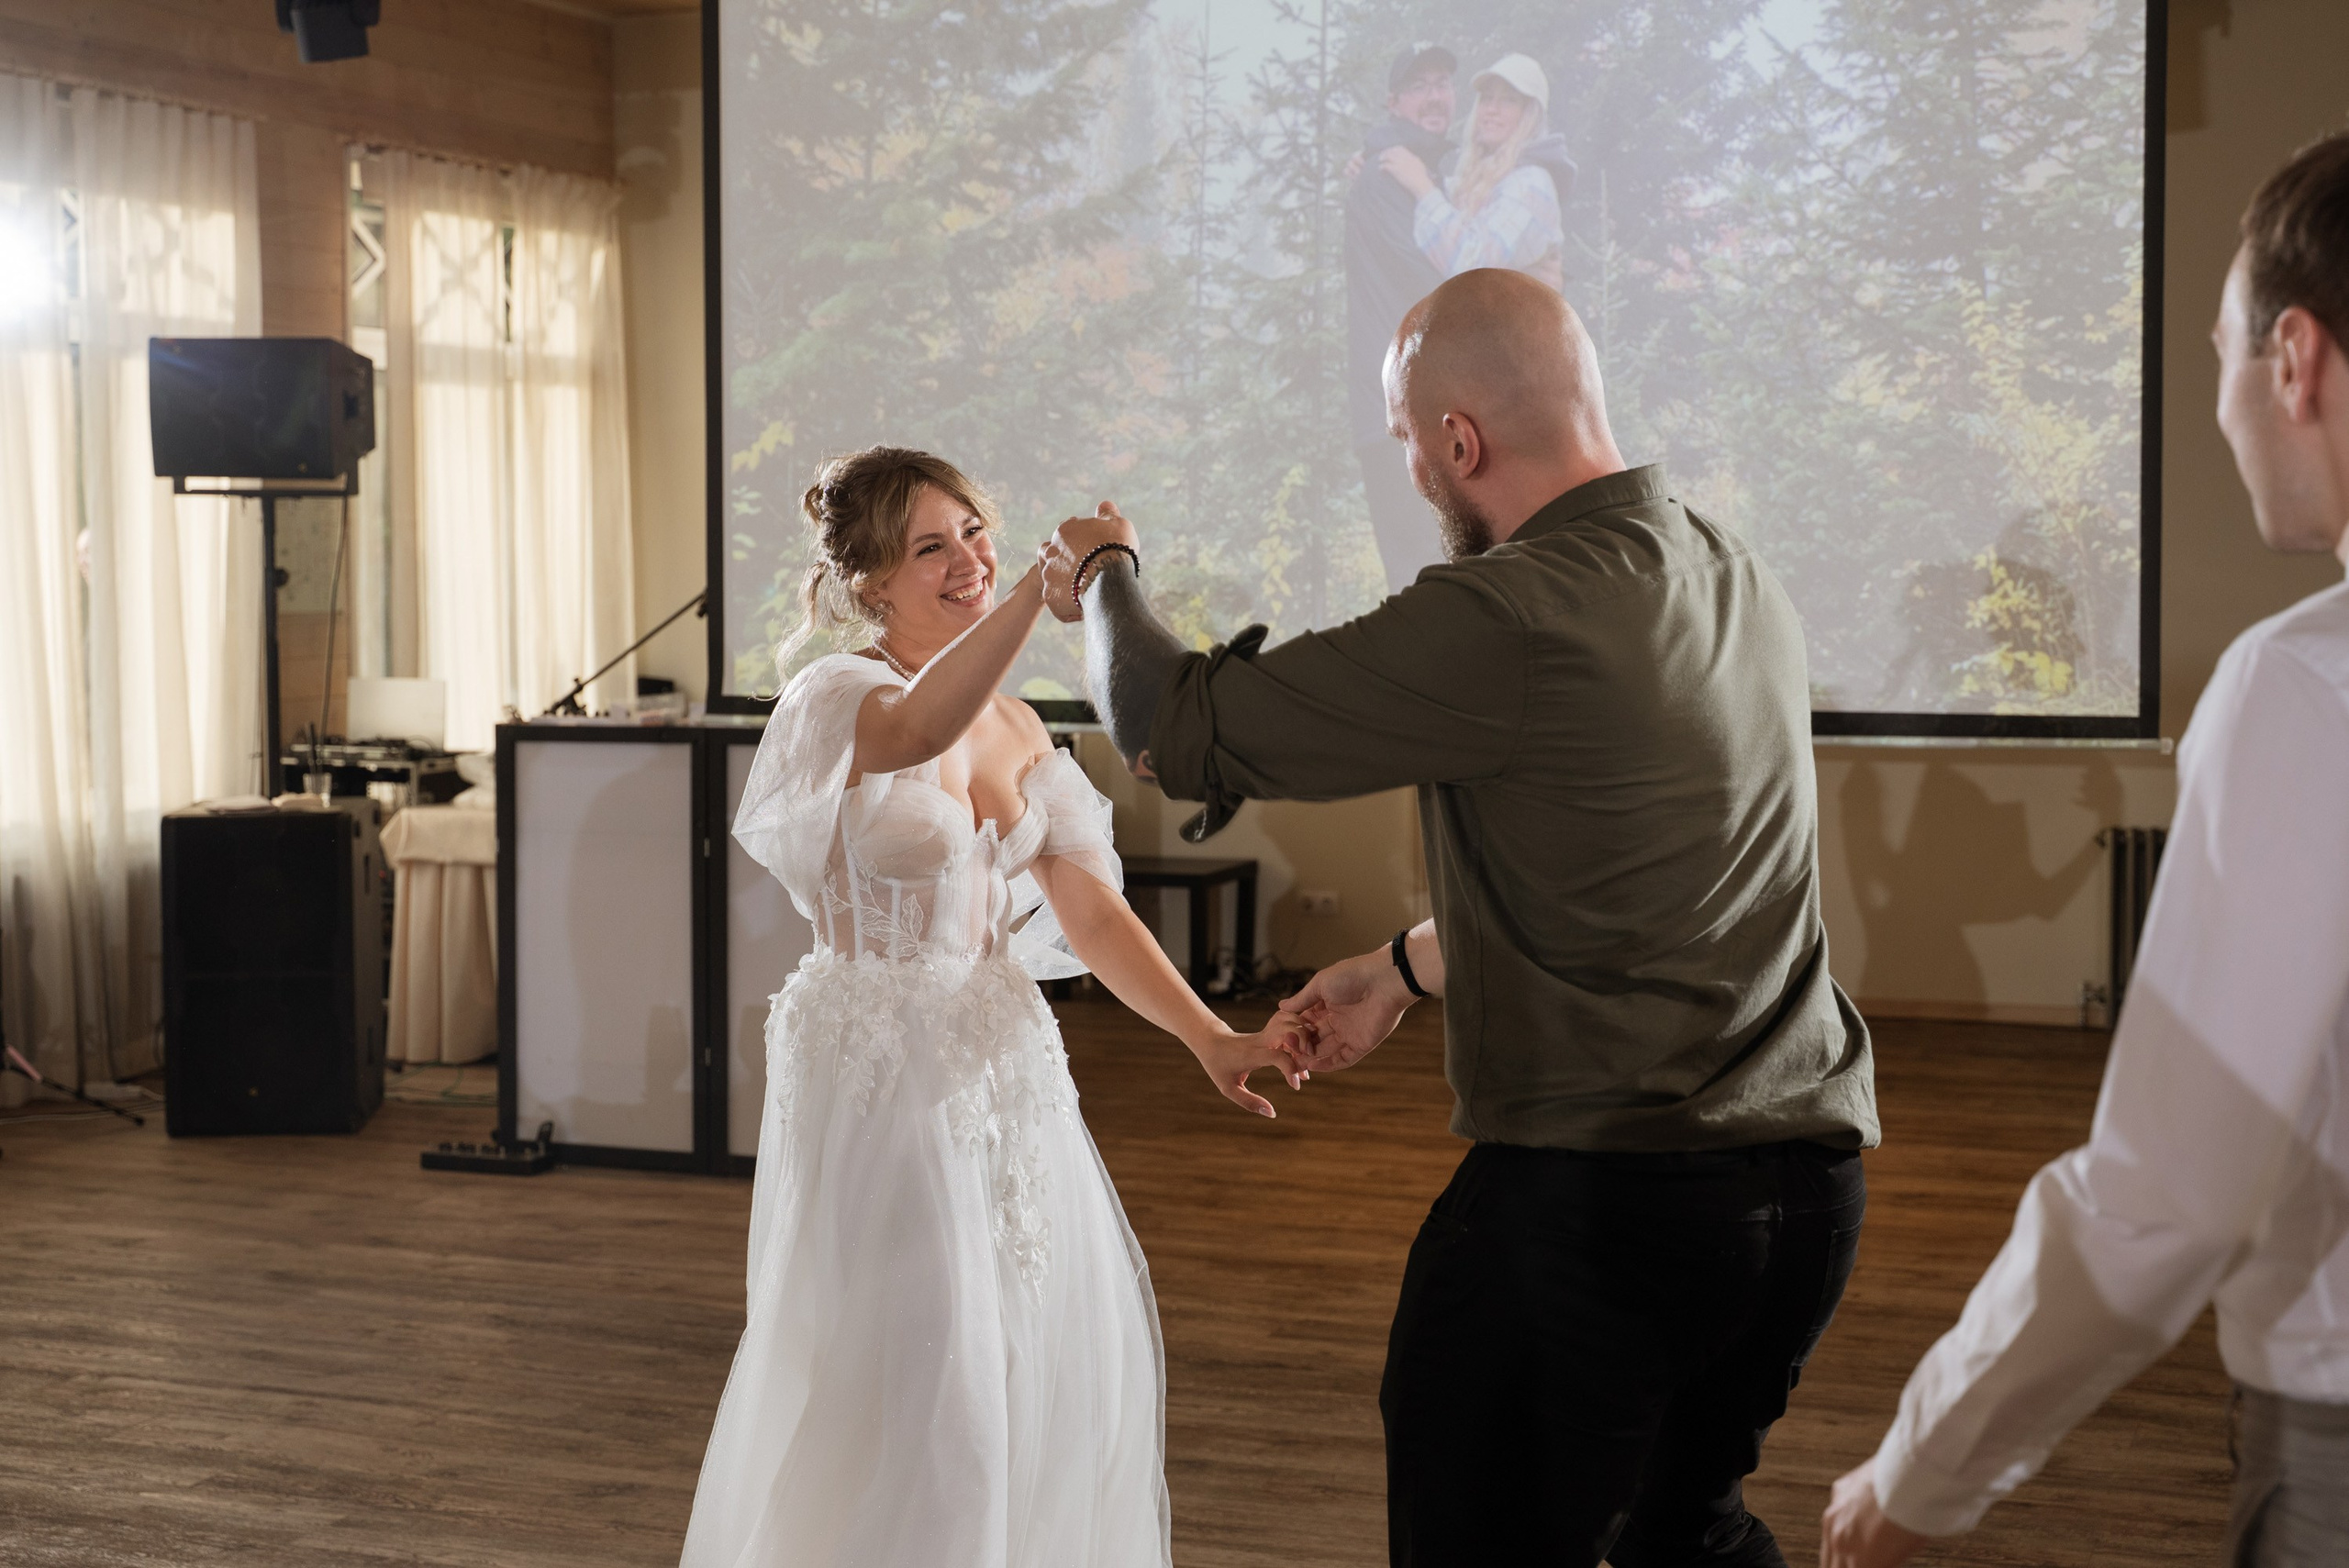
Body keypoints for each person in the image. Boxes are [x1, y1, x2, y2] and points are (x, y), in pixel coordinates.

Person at [1041, 269, 1878, 1568]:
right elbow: (1647, 879)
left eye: (1405, 443)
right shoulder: (1732, 569)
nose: (1413, 471)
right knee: (1685, 1533)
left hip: (1610, 1212)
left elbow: (1170, 724)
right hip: (1806, 1203)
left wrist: (1104, 571)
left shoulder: (1508, 611)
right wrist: (1401, 968)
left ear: (1459, 443)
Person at [1820, 134, 2349, 1568]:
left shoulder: (2308, 682)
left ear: (2294, 359)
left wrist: (1926, 1465)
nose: (2226, 410)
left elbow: (2170, 1194)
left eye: (2223, 359)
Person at [679, 447, 1307, 1568]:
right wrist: (1036, 584)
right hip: (883, 1071)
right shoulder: (838, 696)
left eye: (976, 533)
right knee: (924, 1358)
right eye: (934, 546)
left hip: (1006, 1064)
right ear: (870, 582)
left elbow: (1090, 907)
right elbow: (917, 733)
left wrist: (1207, 1036)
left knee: (1030, 1348)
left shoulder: (1020, 726)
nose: (968, 560)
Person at [1346, 42, 1458, 595]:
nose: (1436, 96)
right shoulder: (1387, 177)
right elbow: (1431, 278)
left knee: (1435, 567)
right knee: (1421, 572)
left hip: (1416, 403)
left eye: (1442, 83)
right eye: (1421, 86)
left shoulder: (1413, 170)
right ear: (1393, 102)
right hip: (1396, 412)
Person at [1381, 53, 1576, 293]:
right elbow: (1443, 196)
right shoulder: (1487, 177)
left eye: (1508, 100)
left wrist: (1422, 188)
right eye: (1487, 98)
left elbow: (1471, 266)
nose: (1492, 110)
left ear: (1530, 115)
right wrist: (1374, 158)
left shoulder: (1531, 184)